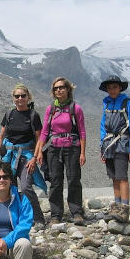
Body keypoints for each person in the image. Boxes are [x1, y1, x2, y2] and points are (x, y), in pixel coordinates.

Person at [35, 78, 87, 225]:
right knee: (56, 181)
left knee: (74, 180)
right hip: (53, 149)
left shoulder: (76, 108)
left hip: (72, 148)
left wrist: (83, 153)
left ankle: (76, 212)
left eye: (62, 87)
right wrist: (39, 151)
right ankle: (56, 215)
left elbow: (82, 132)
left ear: (68, 89)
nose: (59, 90)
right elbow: (44, 132)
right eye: (56, 88)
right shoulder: (50, 109)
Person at [0, 84, 47, 227]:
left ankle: (38, 218)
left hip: (26, 156)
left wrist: (34, 158)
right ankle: (14, 218)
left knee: (25, 187)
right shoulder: (9, 114)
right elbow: (1, 137)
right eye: (17, 96)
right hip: (9, 156)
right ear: (13, 98)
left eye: (22, 96)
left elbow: (39, 139)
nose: (19, 99)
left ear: (28, 97)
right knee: (9, 187)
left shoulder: (33, 115)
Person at [99, 75, 130, 223]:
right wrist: (102, 147)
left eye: (115, 87)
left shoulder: (128, 103)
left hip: (123, 143)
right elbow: (102, 126)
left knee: (122, 177)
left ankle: (124, 209)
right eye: (109, 88)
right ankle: (116, 207)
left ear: (120, 88)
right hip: (109, 144)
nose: (112, 90)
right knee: (114, 177)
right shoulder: (106, 103)